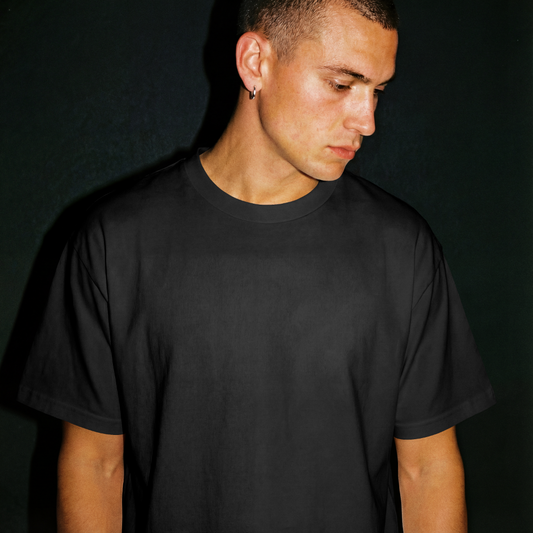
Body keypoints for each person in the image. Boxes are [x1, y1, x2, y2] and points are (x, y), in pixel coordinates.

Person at [18, 0, 495, 531]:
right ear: (255, 63)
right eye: (342, 84)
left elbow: (427, 470)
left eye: (377, 91)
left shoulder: (403, 248)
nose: (367, 120)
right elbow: (94, 464)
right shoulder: (115, 240)